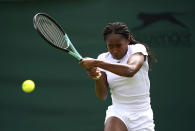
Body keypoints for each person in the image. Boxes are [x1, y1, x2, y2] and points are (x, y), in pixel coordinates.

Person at [79, 22, 155, 131]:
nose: (115, 50)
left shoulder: (138, 50)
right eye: (110, 46)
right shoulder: (103, 58)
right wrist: (97, 76)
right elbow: (102, 95)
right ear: (106, 44)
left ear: (128, 40)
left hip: (142, 115)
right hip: (118, 113)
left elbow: (130, 70)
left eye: (119, 45)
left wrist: (97, 63)